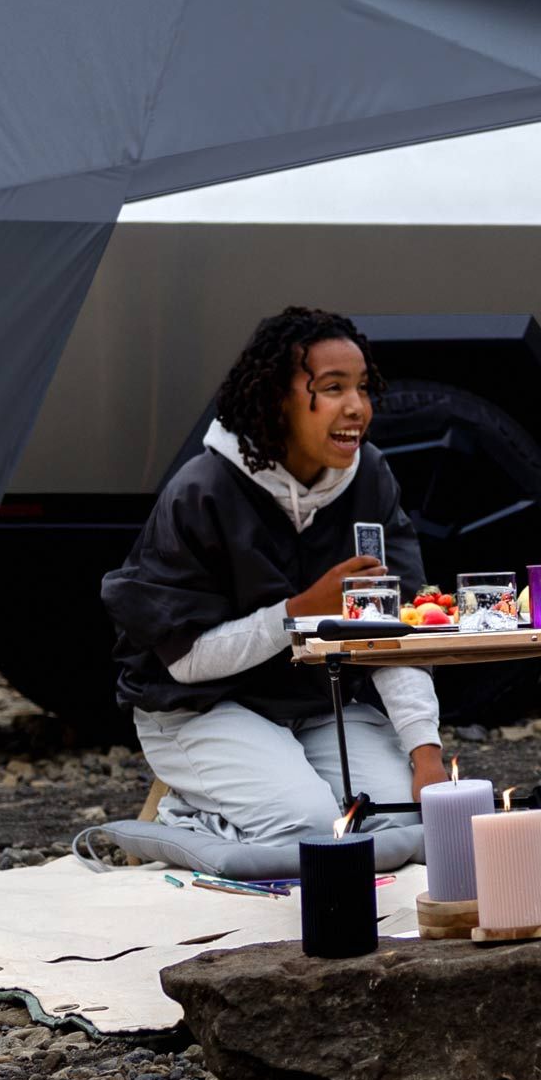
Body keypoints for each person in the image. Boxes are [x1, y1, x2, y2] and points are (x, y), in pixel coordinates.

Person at [103, 305, 448, 841]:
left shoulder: (371, 478)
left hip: (317, 702)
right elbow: (187, 661)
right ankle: (186, 818)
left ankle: (281, 787)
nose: (356, 407)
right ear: (277, 399)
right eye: (332, 388)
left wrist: (426, 752)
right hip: (201, 707)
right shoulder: (203, 492)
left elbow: (392, 632)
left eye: (362, 387)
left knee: (407, 821)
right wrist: (300, 611)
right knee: (307, 828)